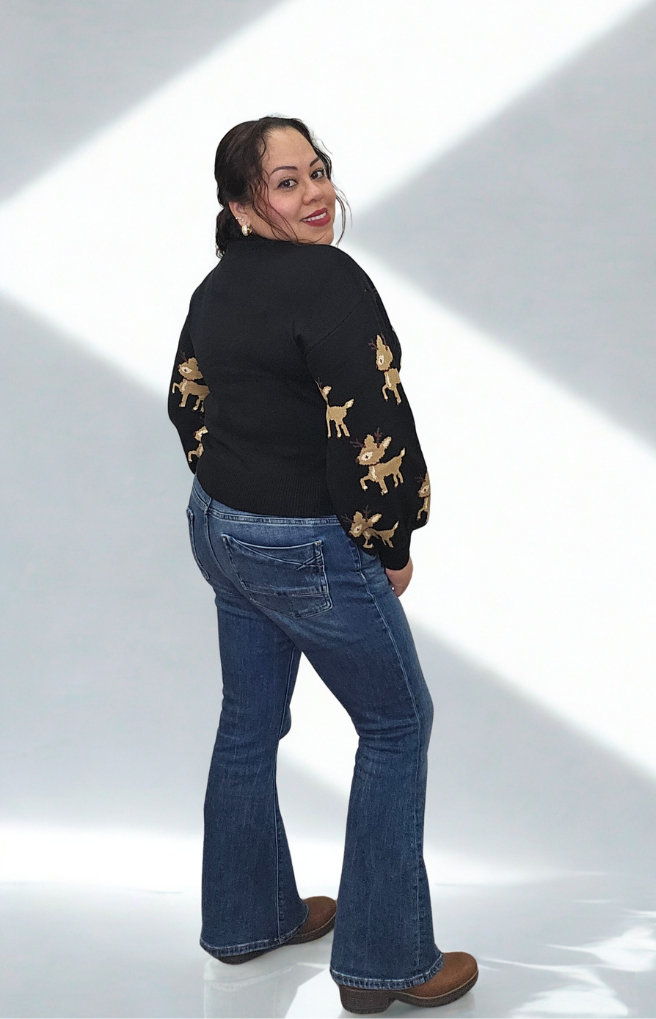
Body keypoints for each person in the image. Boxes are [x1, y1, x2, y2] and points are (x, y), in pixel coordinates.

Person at [167, 115, 478, 1014]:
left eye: (319, 173)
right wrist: (390, 538)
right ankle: (387, 963)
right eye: (287, 182)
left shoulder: (218, 285)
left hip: (222, 531)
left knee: (249, 721)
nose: (315, 196)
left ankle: (245, 919)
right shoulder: (329, 278)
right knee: (395, 724)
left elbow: (187, 397)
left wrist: (232, 490)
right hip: (305, 543)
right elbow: (373, 415)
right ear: (241, 205)